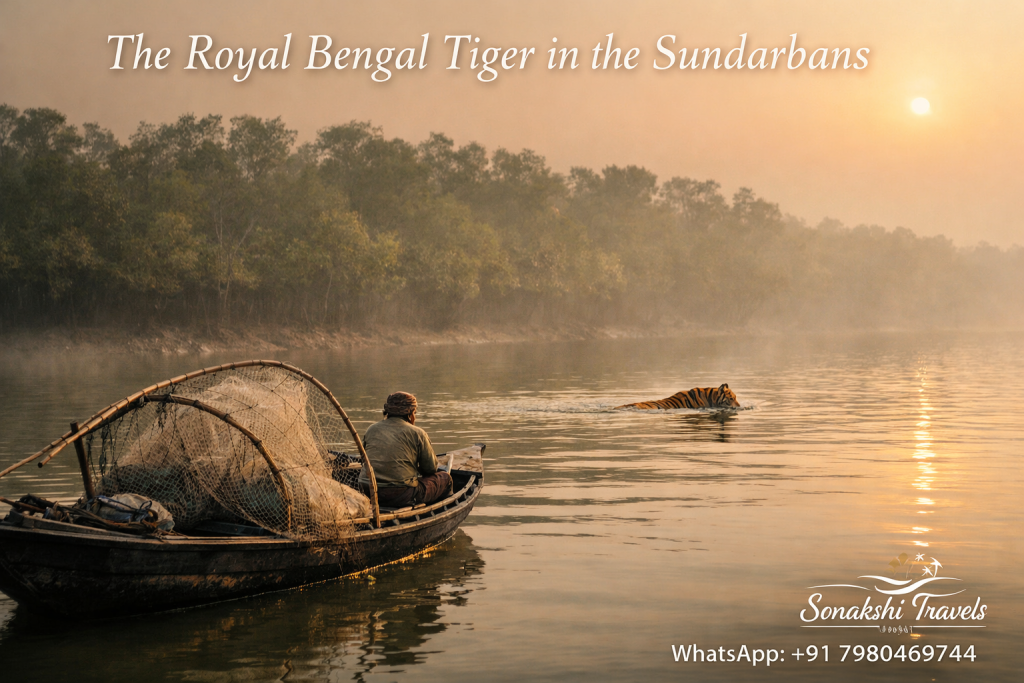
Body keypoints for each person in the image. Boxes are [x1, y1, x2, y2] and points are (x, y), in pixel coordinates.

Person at [358, 391, 452, 508]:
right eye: (415, 412)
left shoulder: (371, 429)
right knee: (446, 478)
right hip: (401, 494)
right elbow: (430, 469)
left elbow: (364, 459)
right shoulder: (417, 433)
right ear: (411, 414)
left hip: (367, 490)